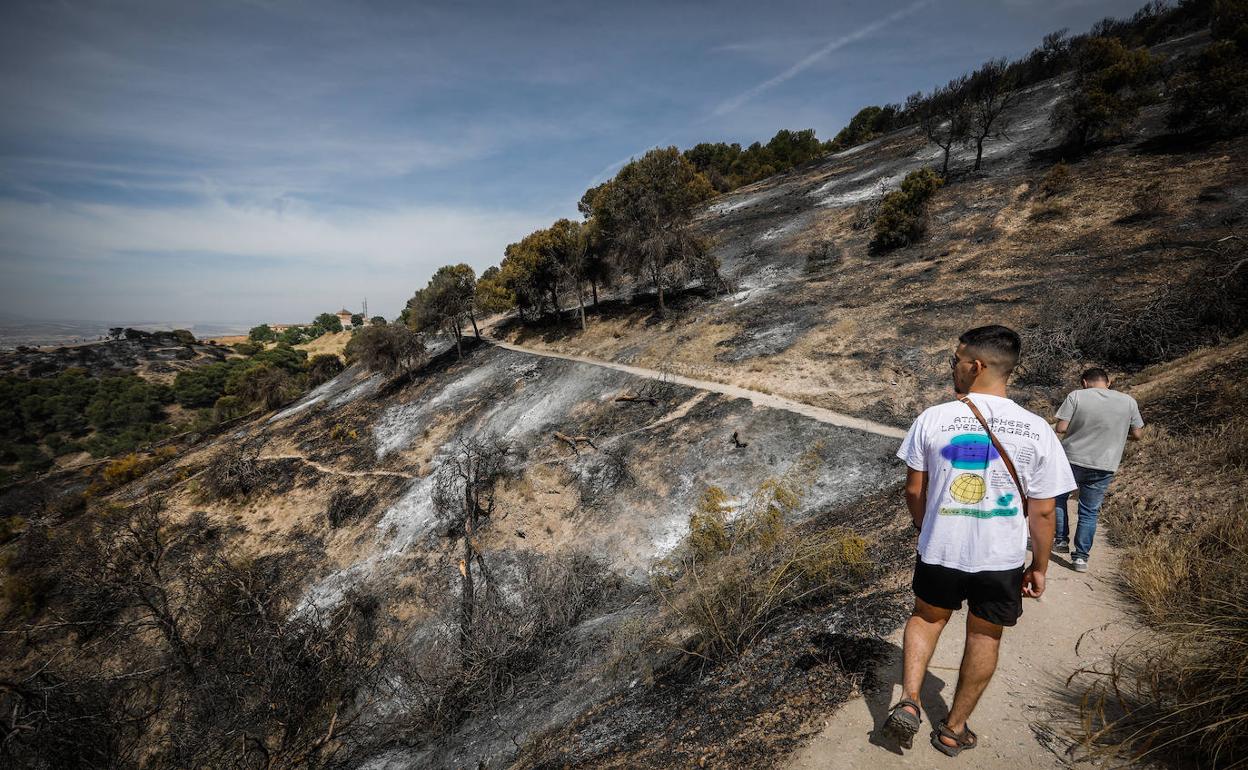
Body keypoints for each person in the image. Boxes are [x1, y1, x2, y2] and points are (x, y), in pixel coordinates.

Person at [884, 325, 1076, 757]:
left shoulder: (932, 418)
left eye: (955, 359)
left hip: (940, 549)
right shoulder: (1037, 429)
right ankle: (953, 728)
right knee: (985, 635)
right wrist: (1039, 566)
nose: (952, 366)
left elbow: (915, 491)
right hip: (1000, 558)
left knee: (927, 618)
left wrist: (924, 527)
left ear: (976, 366)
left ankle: (910, 702)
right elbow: (1044, 511)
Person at [1052, 367, 1144, 573]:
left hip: (1071, 459)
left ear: (1084, 382)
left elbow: (1061, 428)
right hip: (1104, 462)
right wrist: (1119, 435)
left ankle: (1060, 540)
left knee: (1059, 498)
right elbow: (1137, 434)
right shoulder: (1128, 401)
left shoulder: (1076, 396)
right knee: (1089, 511)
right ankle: (1081, 558)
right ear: (1108, 382)